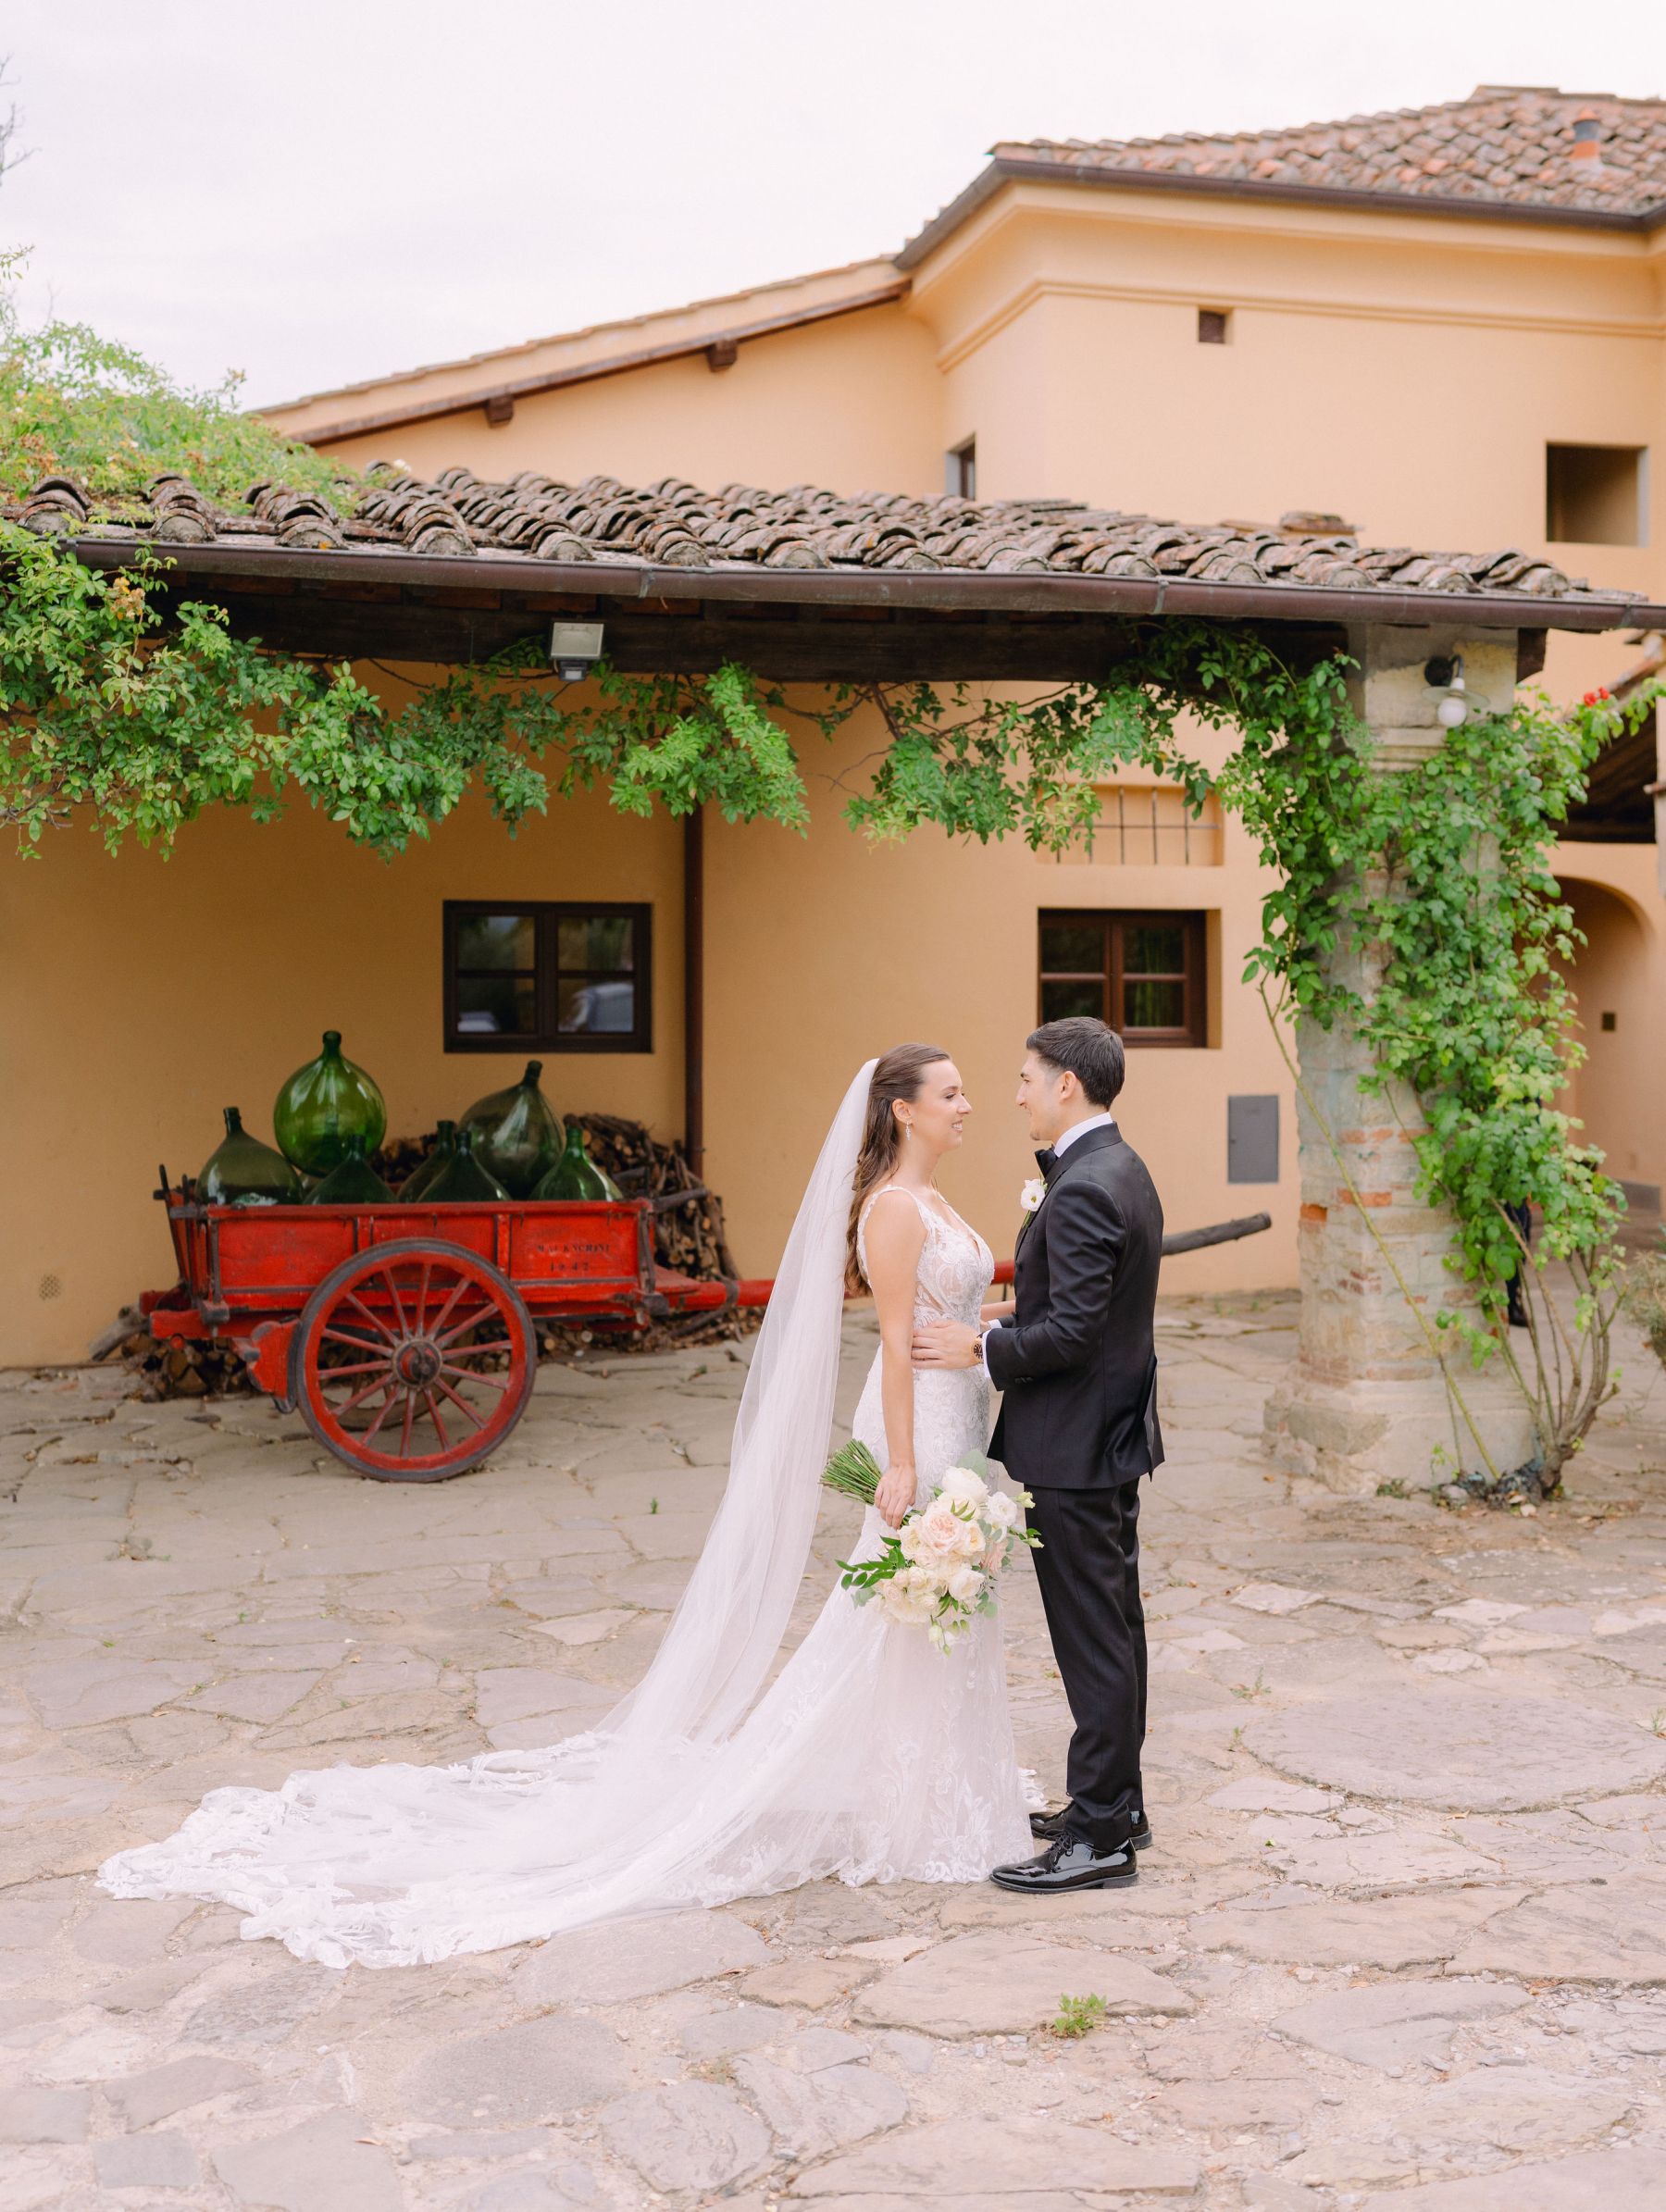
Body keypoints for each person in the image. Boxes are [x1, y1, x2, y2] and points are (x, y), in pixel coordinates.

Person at [99, 1047, 1032, 1967]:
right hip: (918, 1425)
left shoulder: (935, 1198)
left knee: (935, 1605)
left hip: (959, 1409)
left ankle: (941, 1786)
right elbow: (901, 1339)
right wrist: (900, 1463)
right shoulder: (896, 1209)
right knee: (900, 1600)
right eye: (951, 1092)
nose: (969, 1103)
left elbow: (951, 1324)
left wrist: (994, 1337)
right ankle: (910, 1798)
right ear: (902, 1109)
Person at [914, 1016, 1163, 1896]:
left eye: (1025, 1077)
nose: (1014, 1092)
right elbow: (1078, 1314)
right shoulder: (1117, 1166)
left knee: (1093, 1642)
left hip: (1078, 1448)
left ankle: (1099, 1837)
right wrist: (996, 1326)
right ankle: (1116, 1805)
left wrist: (978, 1350)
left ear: (1067, 1085)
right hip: (1104, 1438)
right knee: (1115, 1630)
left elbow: (1074, 1332)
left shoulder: (1090, 1185)